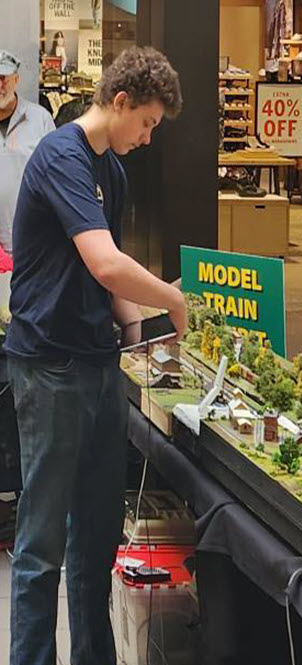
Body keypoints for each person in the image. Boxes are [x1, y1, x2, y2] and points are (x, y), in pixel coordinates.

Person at [4, 46, 187, 664]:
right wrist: (174, 301)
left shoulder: (114, 172)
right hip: (50, 366)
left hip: (97, 366)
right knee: (42, 543)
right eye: (148, 122)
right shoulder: (62, 156)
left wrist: (140, 336)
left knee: (96, 537)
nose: (149, 136)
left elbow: (110, 284)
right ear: (121, 101)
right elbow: (107, 261)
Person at [0, 50, 56, 258]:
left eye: (4, 78)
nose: (0, 86)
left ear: (16, 79)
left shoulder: (40, 119)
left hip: (30, 244)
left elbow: (55, 176)